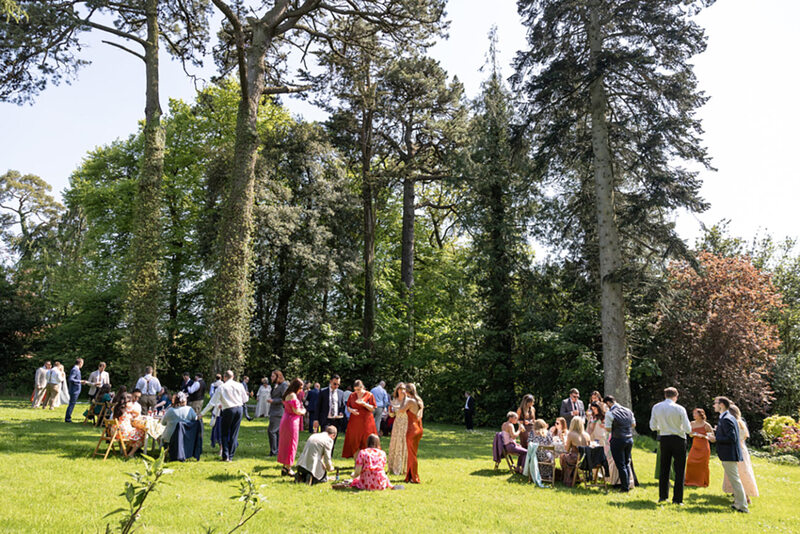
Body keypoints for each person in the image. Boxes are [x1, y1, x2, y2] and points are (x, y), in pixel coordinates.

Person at [649, 387, 692, 504]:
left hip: (664, 438)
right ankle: (677, 499)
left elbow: (652, 426)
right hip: (678, 438)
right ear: (676, 396)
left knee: (664, 468)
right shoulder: (680, 408)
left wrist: (662, 427)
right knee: (679, 469)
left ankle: (663, 496)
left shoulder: (656, 407)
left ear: (665, 395)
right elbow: (688, 428)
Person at [708, 396, 747, 512]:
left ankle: (743, 506)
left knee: (735, 480)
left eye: (715, 403)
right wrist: (716, 433)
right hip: (728, 454)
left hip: (729, 454)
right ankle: (737, 504)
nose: (713, 405)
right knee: (734, 479)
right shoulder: (726, 417)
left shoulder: (726, 419)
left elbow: (731, 437)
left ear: (722, 405)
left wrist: (715, 439)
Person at [201, 370, 249, 462]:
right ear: (233, 376)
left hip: (228, 409)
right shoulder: (240, 385)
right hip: (239, 409)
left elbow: (212, 402)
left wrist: (202, 414)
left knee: (224, 433)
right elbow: (245, 399)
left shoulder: (221, 387)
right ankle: (231, 456)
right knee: (234, 433)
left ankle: (225, 456)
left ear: (224, 377)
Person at [722, 405, 759, 503]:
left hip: (735, 449)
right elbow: (745, 436)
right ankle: (744, 495)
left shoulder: (733, 423)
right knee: (744, 472)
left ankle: (741, 497)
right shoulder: (742, 423)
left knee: (736, 473)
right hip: (743, 449)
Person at [604, 395, 636, 492]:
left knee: (621, 464)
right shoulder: (628, 410)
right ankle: (627, 484)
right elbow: (633, 425)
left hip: (617, 439)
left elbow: (608, 429)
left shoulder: (610, 413)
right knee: (626, 463)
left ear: (609, 403)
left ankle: (624, 487)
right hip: (629, 439)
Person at [342, 379, 378, 459]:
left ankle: (368, 461)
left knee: (366, 440)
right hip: (354, 421)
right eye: (355, 390)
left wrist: (364, 404)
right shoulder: (352, 395)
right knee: (354, 440)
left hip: (366, 421)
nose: (357, 391)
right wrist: (351, 410)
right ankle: (357, 463)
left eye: (358, 389)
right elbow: (348, 407)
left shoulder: (369, 395)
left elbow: (373, 408)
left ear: (362, 387)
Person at [278, 378, 306, 476]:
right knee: (291, 444)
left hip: (285, 420)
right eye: (300, 388)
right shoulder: (293, 395)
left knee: (285, 444)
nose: (301, 390)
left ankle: (285, 467)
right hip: (291, 422)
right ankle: (289, 467)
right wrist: (303, 411)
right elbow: (296, 411)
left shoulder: (287, 394)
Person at [400, 382, 424, 483]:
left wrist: (404, 398)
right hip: (419, 427)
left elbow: (401, 410)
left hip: (412, 429)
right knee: (412, 453)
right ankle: (410, 476)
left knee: (411, 454)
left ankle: (414, 477)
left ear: (407, 391)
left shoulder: (409, 401)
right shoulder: (419, 400)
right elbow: (420, 415)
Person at [315, 375, 347, 445]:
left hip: (336, 420)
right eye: (335, 384)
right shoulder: (323, 392)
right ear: (330, 382)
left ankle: (329, 456)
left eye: (338, 384)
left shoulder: (341, 393)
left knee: (333, 442)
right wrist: (316, 419)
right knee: (325, 440)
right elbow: (318, 406)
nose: (336, 386)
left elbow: (342, 406)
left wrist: (341, 413)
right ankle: (323, 455)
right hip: (325, 420)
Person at [685, 408, 713, 488]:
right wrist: (694, 434)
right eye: (693, 413)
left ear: (701, 415)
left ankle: (702, 482)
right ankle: (690, 481)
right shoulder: (692, 423)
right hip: (695, 446)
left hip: (704, 447)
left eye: (695, 413)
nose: (693, 415)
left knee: (703, 465)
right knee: (690, 462)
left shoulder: (706, 425)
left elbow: (712, 437)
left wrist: (703, 436)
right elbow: (690, 434)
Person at [560, 416, 591, 486]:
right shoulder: (587, 435)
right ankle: (575, 476)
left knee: (562, 456)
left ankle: (568, 478)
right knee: (566, 457)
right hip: (586, 459)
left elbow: (566, 449)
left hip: (575, 459)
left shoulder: (571, 434)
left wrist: (564, 440)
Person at [113, 393, 146, 458]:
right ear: (127, 401)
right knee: (142, 433)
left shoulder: (116, 407)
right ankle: (130, 453)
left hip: (115, 432)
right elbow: (137, 412)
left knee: (135, 435)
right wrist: (133, 415)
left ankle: (126, 452)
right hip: (123, 432)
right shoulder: (128, 407)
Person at [387, 383, 409, 475]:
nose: (402, 391)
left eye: (404, 389)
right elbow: (392, 415)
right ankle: (392, 467)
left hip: (405, 424)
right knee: (395, 444)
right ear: (397, 390)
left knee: (403, 445)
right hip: (397, 424)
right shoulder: (394, 400)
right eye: (400, 389)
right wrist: (390, 411)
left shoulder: (408, 401)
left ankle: (402, 468)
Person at [267, 370, 288, 456]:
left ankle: (274, 451)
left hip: (278, 411)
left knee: (271, 431)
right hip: (274, 411)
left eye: (273, 376)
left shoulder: (283, 385)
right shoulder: (276, 385)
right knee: (276, 432)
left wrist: (273, 401)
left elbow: (285, 398)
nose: (271, 378)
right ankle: (278, 450)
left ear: (277, 377)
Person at [65, 358, 85, 423]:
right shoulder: (75, 369)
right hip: (74, 390)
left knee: (72, 403)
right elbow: (71, 379)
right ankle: (68, 418)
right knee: (72, 404)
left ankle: (68, 417)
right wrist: (80, 381)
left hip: (75, 389)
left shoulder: (76, 369)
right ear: (80, 363)